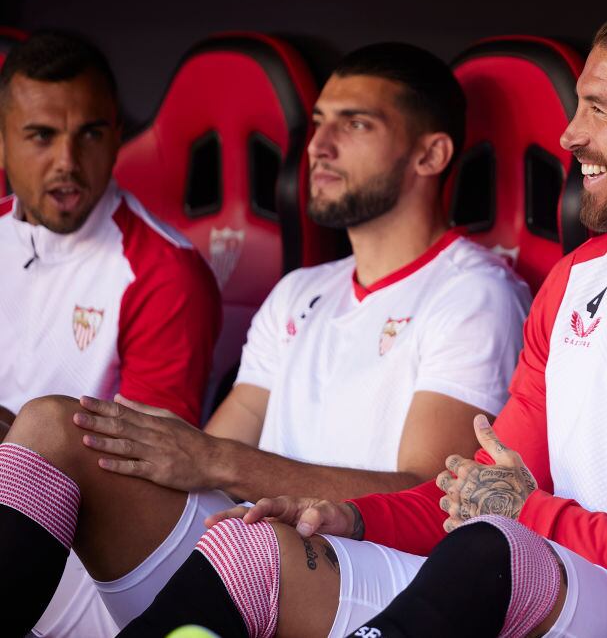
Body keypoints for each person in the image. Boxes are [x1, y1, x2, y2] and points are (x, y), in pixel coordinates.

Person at [122, 0, 607, 638]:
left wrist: (534, 516)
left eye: (599, 110)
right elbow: (476, 488)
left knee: (497, 550)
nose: (570, 134)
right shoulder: (580, 279)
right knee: (258, 551)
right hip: (534, 581)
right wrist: (356, 517)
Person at [0, 41, 531, 636]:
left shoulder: (474, 293)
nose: (319, 148)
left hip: (371, 571)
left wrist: (213, 460)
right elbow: (193, 454)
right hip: (245, 548)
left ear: (430, 154)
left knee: (253, 550)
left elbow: (432, 499)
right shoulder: (299, 290)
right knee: (50, 425)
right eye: (318, 124)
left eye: (355, 125)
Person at [0, 31, 221, 637]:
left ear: (118, 136)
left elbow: (138, 479)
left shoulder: (164, 271)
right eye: (41, 136)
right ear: (1, 141)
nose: (67, 161)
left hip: (79, 561)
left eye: (90, 133)